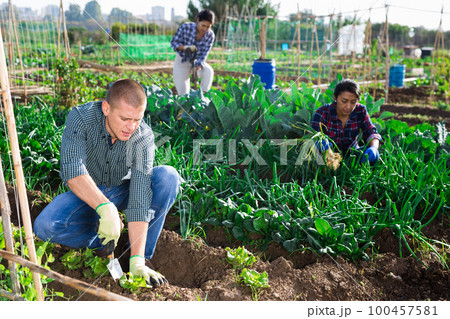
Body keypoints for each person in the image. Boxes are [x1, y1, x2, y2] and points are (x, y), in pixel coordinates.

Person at [33, 79, 182, 287]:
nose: (131, 127)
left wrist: (137, 261)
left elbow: (140, 194)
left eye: (137, 119)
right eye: (124, 118)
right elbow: (73, 170)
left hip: (122, 190)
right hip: (86, 194)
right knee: (45, 226)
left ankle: (137, 256)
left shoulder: (142, 137)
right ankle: (102, 244)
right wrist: (105, 208)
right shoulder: (81, 118)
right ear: (106, 108)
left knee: (168, 177)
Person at [311, 79, 383, 165]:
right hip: (328, 155)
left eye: (353, 102)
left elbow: (372, 132)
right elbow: (313, 135)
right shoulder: (323, 112)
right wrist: (320, 143)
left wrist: (374, 148)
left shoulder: (360, 110)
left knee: (374, 155)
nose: (348, 106)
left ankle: (356, 173)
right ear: (335, 97)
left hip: (351, 155)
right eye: (344, 101)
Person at [170, 9, 215, 96]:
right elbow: (174, 43)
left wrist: (198, 66)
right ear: (198, 20)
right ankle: (185, 104)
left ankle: (203, 96)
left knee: (208, 71)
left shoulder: (210, 35)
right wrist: (185, 47)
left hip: (197, 60)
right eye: (203, 25)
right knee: (183, 92)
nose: (205, 29)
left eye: (208, 27)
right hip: (182, 59)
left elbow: (204, 53)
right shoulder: (186, 27)